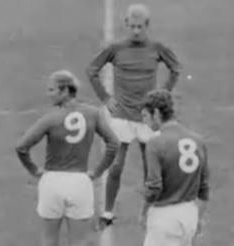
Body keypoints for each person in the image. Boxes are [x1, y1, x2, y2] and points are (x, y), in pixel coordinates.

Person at [85, 3, 181, 226]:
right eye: (133, 26)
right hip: (121, 116)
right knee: (116, 167)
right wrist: (106, 99)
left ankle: (151, 211)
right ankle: (108, 213)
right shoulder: (116, 48)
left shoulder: (157, 48)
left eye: (140, 26)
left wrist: (163, 93)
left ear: (147, 26)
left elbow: (176, 69)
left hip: (148, 117)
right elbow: (91, 70)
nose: (136, 31)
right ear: (126, 24)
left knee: (151, 169)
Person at [15, 70, 119, 246]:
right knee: (79, 241)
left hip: (52, 182)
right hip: (80, 183)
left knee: (49, 239)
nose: (48, 94)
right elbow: (113, 143)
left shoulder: (51, 118)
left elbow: (21, 147)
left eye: (52, 90)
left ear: (64, 91)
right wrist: (98, 171)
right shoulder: (93, 113)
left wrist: (33, 169)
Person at [140, 89, 209, 246]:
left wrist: (143, 211)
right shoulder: (198, 140)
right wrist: (199, 217)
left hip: (165, 218)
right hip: (189, 214)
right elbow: (204, 188)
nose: (144, 121)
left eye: (145, 116)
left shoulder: (155, 143)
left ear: (156, 113)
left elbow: (154, 187)